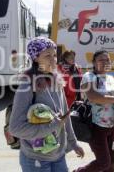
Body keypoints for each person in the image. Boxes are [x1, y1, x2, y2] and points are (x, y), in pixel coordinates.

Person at [9, 37, 84, 172]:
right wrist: (54, 125)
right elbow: (15, 128)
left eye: (54, 55)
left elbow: (65, 116)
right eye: (47, 55)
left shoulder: (57, 81)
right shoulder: (28, 85)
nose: (53, 59)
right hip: (35, 159)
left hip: (59, 155)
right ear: (36, 58)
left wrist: (73, 143)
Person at [73, 50, 114, 172]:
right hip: (96, 126)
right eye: (101, 60)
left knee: (111, 163)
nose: (105, 62)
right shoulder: (89, 77)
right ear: (94, 63)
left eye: (107, 59)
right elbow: (92, 96)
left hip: (112, 127)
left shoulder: (111, 78)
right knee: (103, 162)